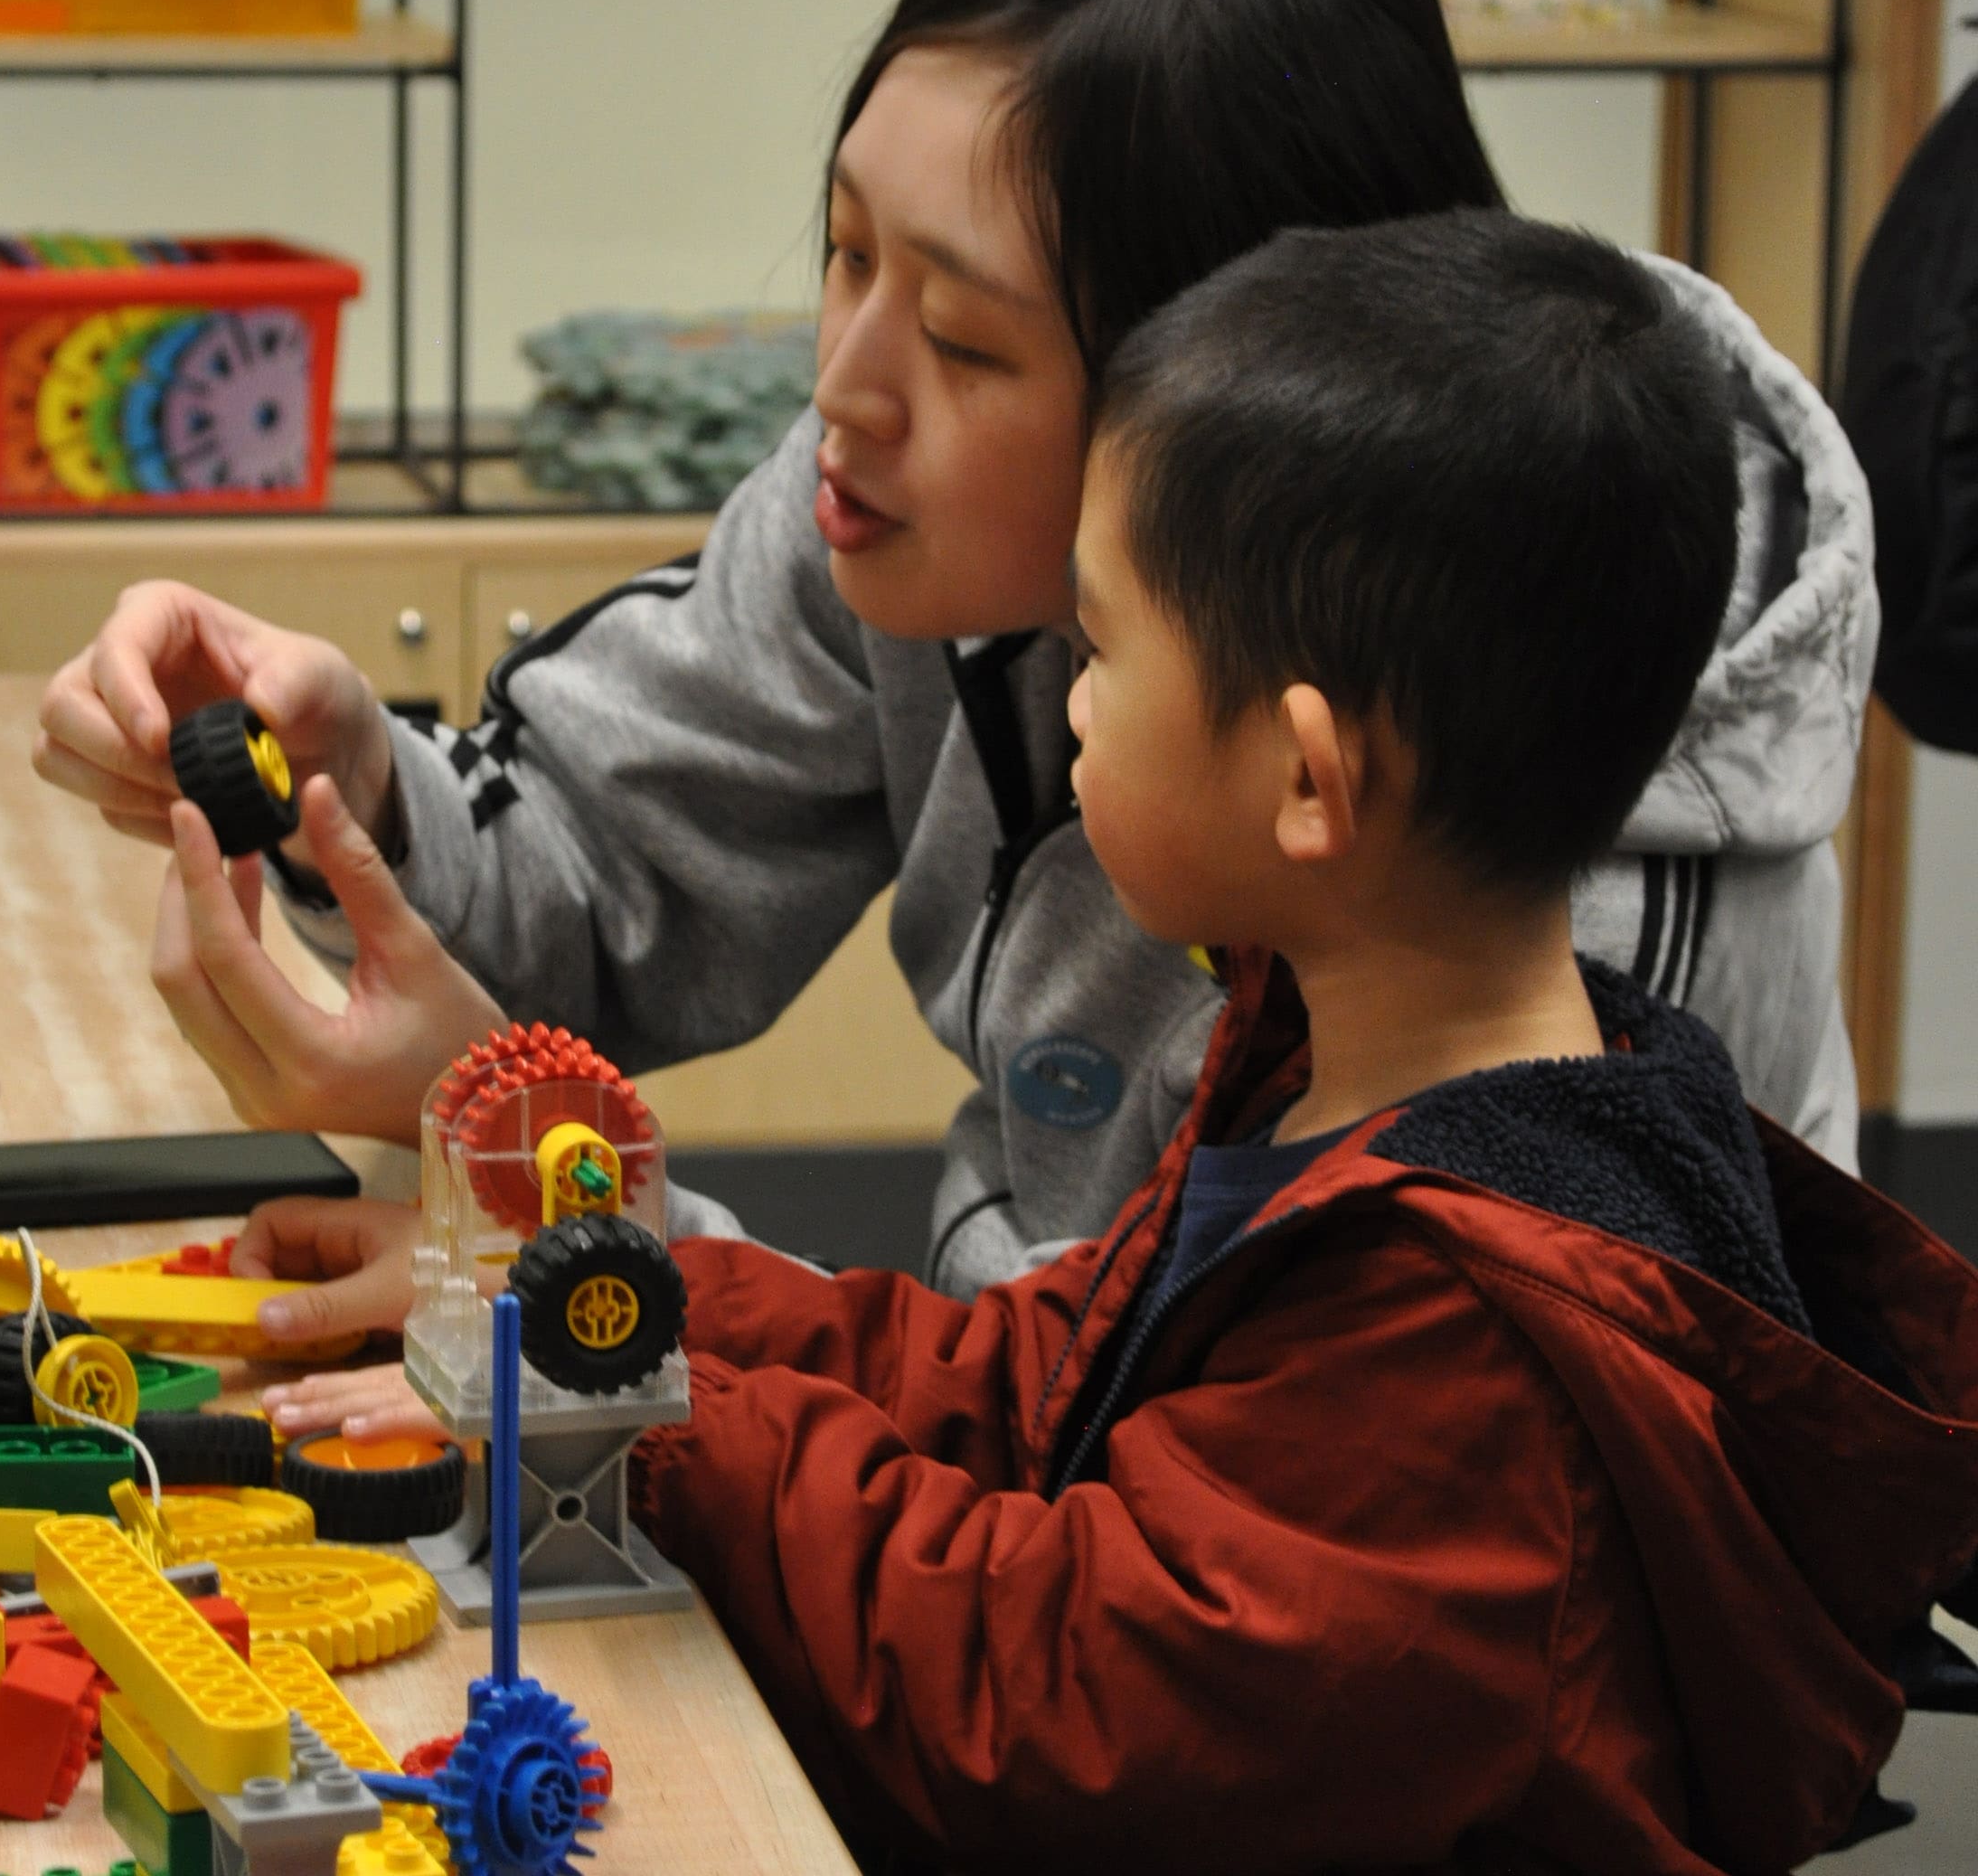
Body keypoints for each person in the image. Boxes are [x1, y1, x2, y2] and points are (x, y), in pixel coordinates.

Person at [33, 0, 1876, 1355]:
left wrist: (572, 1221)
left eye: (970, 341)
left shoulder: (1523, 885)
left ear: (1230, 383)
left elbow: (1172, 1462)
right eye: (845, 253)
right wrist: (342, 781)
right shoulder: (903, 491)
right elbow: (597, 875)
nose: (843, 386)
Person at [619, 214, 1978, 1874]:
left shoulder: (1467, 1350)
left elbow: (1054, 1693)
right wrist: (639, 1302)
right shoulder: (1352, 1082)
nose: (1073, 701)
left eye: (1102, 650)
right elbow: (1039, 1380)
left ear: (1307, 783)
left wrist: (667, 1427)